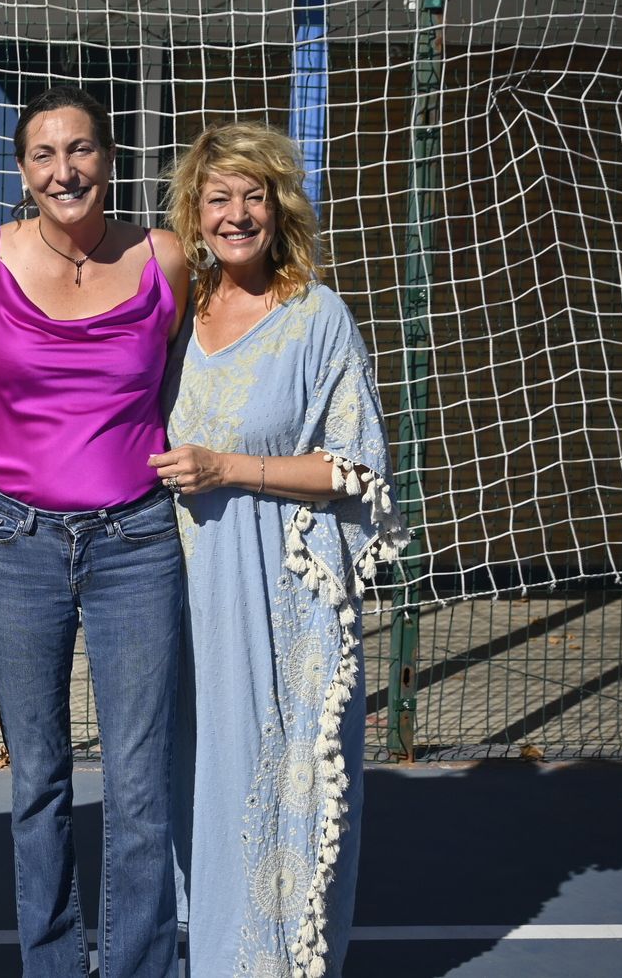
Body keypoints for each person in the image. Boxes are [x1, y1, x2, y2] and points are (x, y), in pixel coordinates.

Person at [0, 85, 190, 978]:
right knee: (39, 776)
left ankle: (135, 967)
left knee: (138, 783)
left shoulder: (166, 257)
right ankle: (49, 966)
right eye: (44, 154)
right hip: (17, 542)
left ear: (110, 160)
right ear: (21, 170)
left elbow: (199, 381)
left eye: (81, 149)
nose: (64, 170)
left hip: (138, 543)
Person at [149, 121, 407, 978]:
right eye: (218, 198)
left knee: (274, 782)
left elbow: (356, 466)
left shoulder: (316, 316)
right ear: (195, 213)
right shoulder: (176, 313)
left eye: (252, 197)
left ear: (279, 207)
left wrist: (230, 467)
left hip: (280, 594)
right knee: (192, 782)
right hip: (180, 591)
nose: (236, 215)